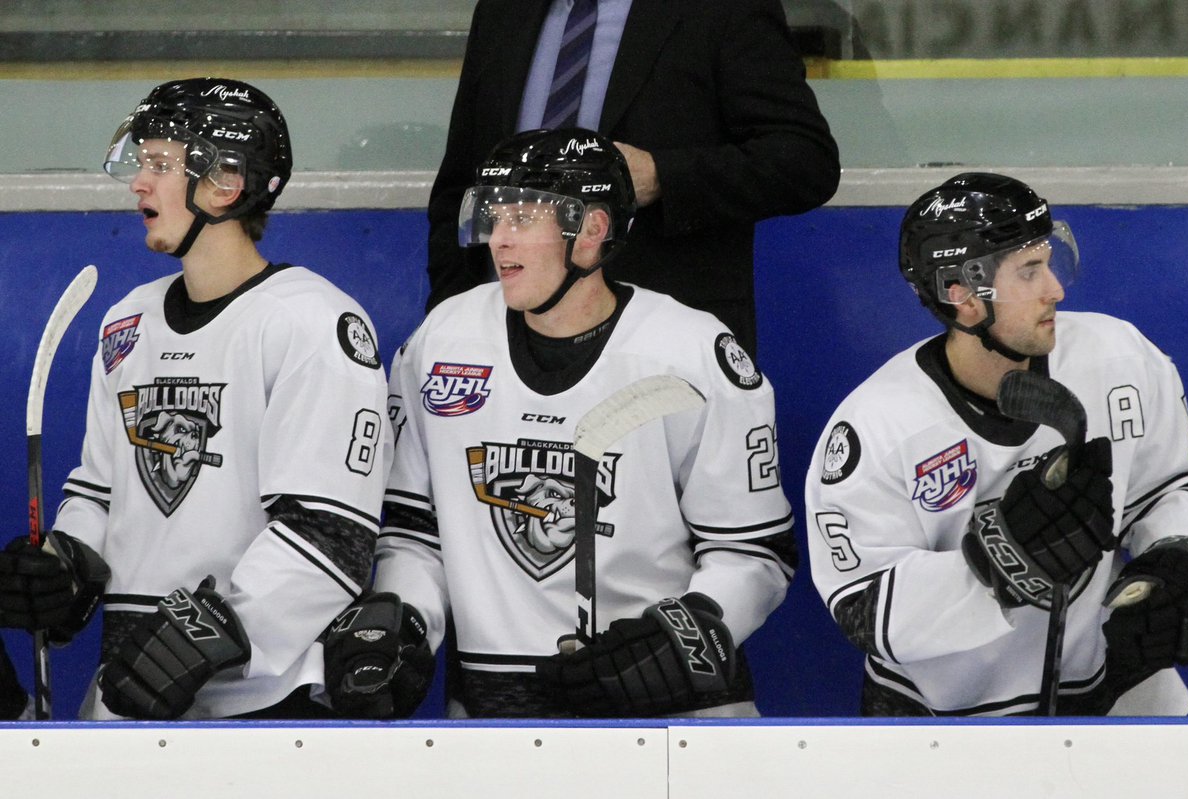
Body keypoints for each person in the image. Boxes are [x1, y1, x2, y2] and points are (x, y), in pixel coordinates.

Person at [322, 127, 797, 719]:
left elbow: (755, 554)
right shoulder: (444, 340)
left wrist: (678, 639)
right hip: (492, 705)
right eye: (494, 217)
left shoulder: (690, 351)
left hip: (671, 712)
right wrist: (403, 620)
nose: (498, 239)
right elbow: (415, 534)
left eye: (522, 218)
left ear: (591, 230)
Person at [0, 78, 391, 720]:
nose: (138, 183)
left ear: (223, 183)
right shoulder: (128, 321)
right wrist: (63, 568)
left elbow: (328, 534)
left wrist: (195, 648)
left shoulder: (311, 321)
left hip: (260, 705)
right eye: (141, 163)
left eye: (159, 164)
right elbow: (101, 493)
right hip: (126, 692)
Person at [804, 172, 1188, 716]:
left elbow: (1172, 486)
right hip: (948, 722)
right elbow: (860, 607)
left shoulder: (1120, 357)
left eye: (1049, 263)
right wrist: (996, 565)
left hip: (1116, 688)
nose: (1055, 289)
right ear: (962, 295)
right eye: (1029, 272)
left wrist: (1176, 554)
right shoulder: (876, 427)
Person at [425, 0, 841, 357]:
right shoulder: (504, 11)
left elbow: (806, 160)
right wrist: (449, 322)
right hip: (504, 347)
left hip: (660, 351)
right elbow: (461, 183)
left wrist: (661, 175)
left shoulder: (721, 8)